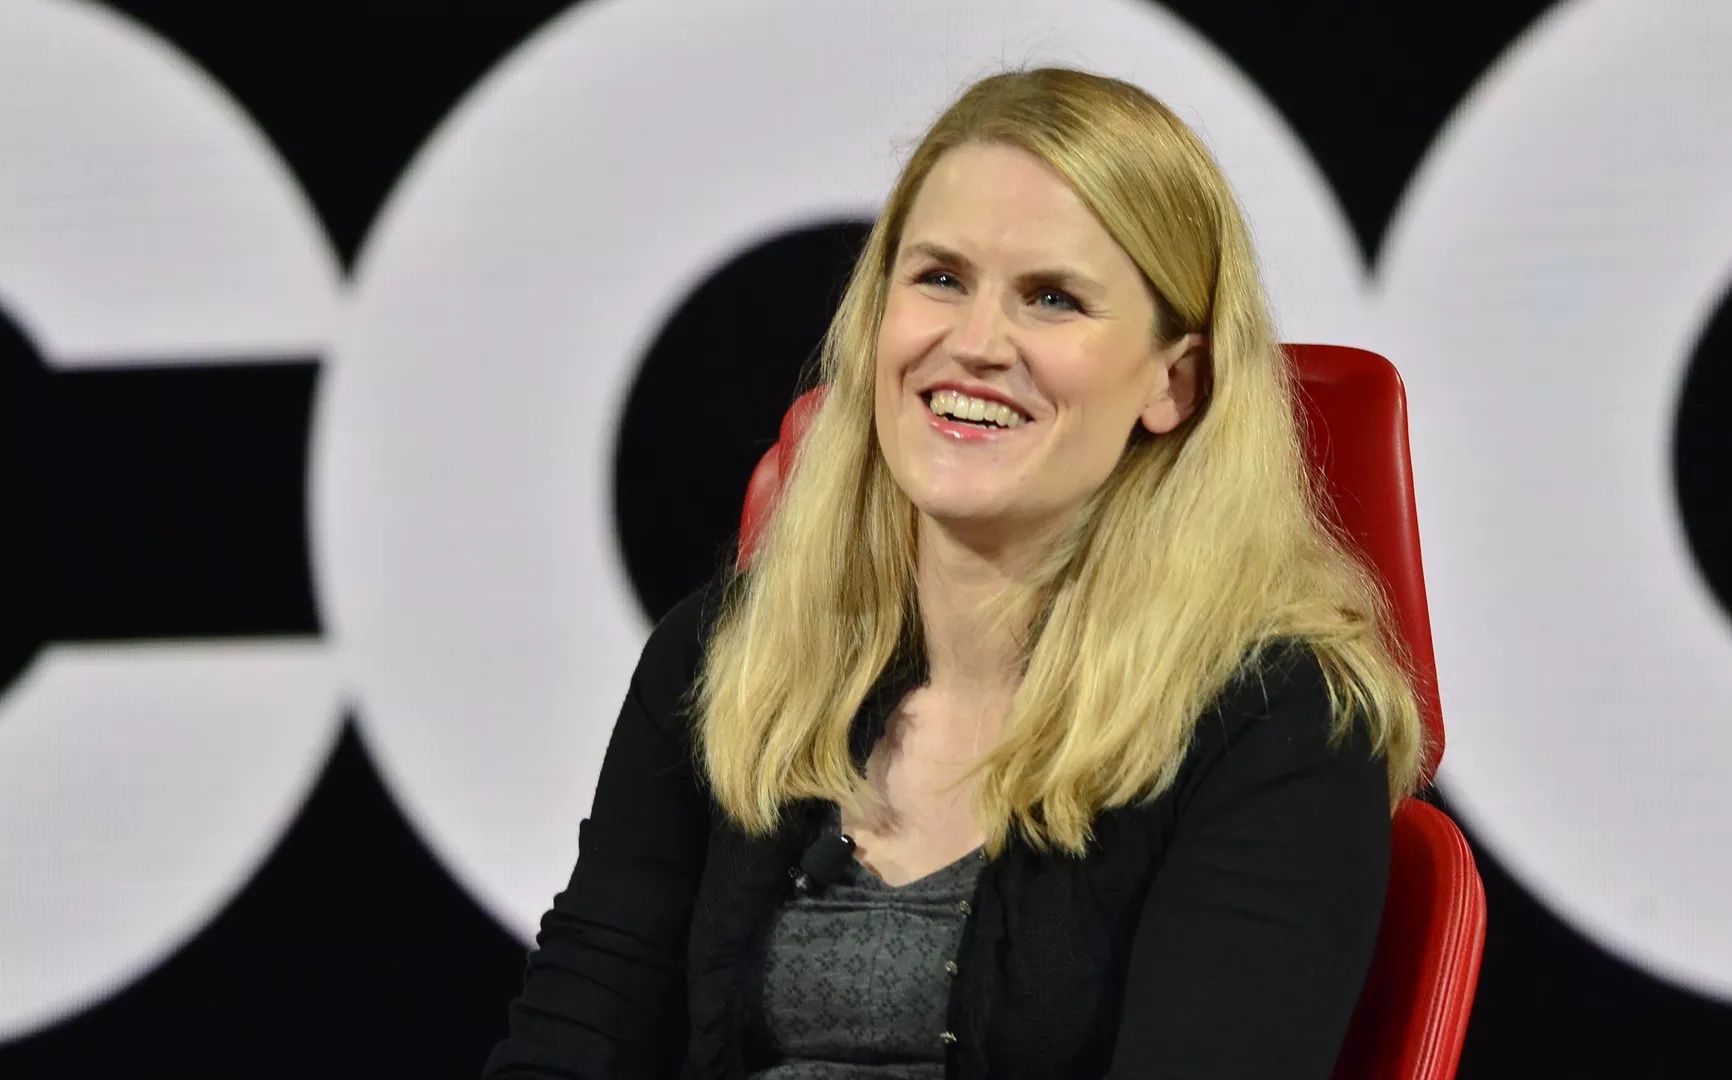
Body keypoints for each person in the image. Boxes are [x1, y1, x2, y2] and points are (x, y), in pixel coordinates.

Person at [483, 66, 1426, 1080]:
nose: (976, 344)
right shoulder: (725, 658)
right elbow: (572, 1044)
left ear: (1172, 381)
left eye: (1052, 299)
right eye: (939, 278)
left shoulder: (1277, 719)